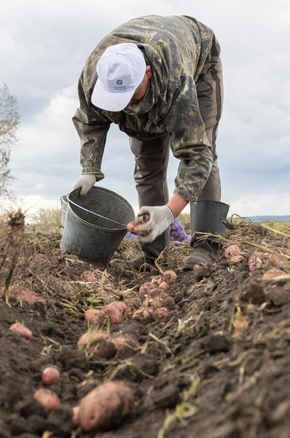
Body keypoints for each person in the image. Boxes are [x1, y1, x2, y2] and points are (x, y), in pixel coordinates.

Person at [71, 15, 229, 270]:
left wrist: (169, 212)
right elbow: (91, 121)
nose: (126, 106)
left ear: (146, 73)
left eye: (131, 95)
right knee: (147, 166)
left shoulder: (175, 81)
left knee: (205, 147)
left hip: (199, 65)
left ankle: (206, 244)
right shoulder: (94, 76)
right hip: (157, 73)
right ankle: (152, 254)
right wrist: (89, 169)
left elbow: (196, 156)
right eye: (116, 99)